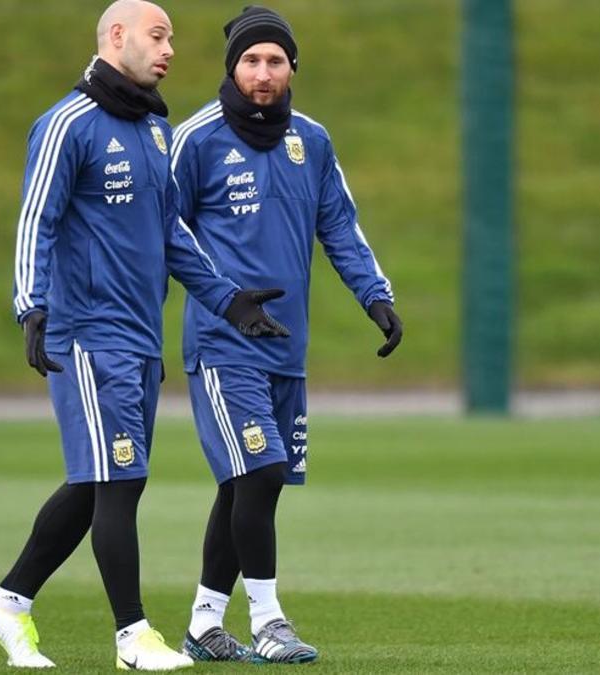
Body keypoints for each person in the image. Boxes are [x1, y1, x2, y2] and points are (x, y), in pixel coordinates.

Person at [0, 1, 289, 670]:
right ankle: (133, 636)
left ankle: (9, 600)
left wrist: (228, 299)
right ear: (116, 37)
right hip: (88, 335)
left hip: (141, 340)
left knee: (98, 483)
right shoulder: (67, 124)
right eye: (158, 35)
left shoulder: (153, 131)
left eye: (171, 36)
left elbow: (172, 232)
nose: (170, 47)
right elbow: (38, 218)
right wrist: (32, 305)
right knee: (120, 481)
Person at [169, 5, 403, 664]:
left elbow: (341, 225)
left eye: (274, 60)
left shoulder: (313, 141)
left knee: (243, 484)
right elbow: (163, 233)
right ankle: (269, 620)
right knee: (262, 471)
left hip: (285, 349)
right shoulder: (196, 139)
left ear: (292, 67)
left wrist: (375, 296)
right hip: (222, 347)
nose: (262, 72)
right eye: (250, 60)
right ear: (231, 68)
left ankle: (204, 623)